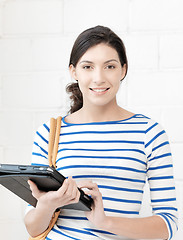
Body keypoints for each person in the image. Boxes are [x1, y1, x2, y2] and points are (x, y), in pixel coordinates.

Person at [24, 26, 178, 240]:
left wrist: (106, 222)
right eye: (87, 67)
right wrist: (49, 204)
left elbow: (168, 225)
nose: (98, 78)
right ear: (73, 71)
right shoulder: (50, 133)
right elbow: (32, 227)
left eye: (110, 66)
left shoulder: (149, 133)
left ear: (123, 70)